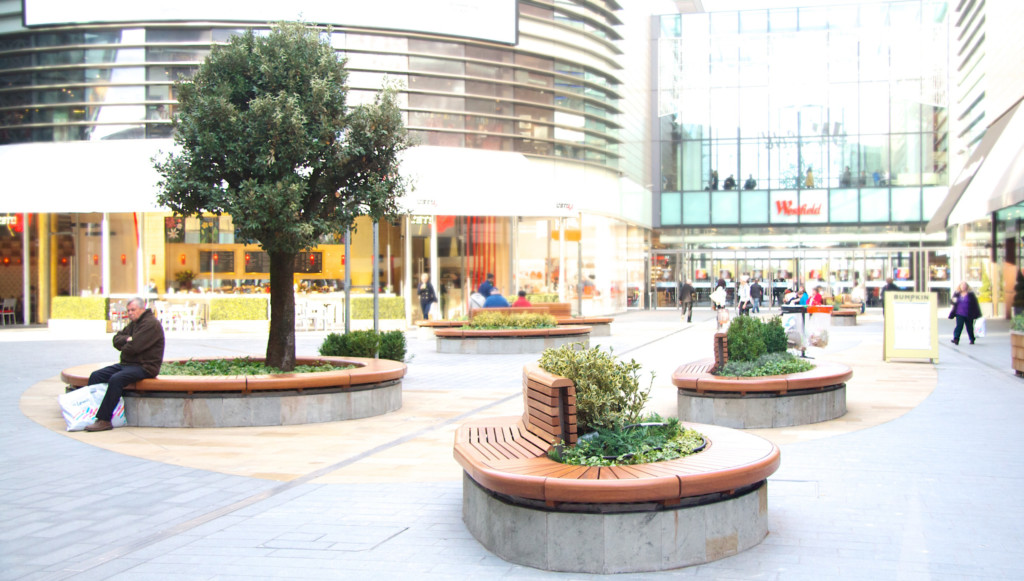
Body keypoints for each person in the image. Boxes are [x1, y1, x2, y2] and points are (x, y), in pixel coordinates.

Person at [83, 297, 165, 432]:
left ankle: (104, 420)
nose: (130, 313)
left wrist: (127, 343)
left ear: (142, 309)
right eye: (128, 310)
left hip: (145, 367)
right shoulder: (134, 323)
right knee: (96, 376)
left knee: (116, 379)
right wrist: (128, 339)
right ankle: (91, 413)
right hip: (128, 364)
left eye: (133, 310)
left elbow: (134, 348)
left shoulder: (150, 324)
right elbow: (116, 339)